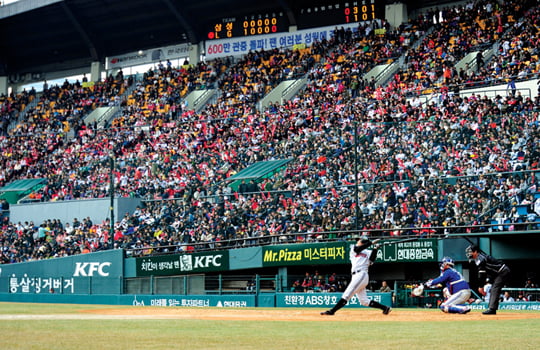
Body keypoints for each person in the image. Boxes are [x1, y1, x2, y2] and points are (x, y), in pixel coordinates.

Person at [321, 237, 391, 315]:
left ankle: (332, 311)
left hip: (361, 274)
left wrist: (375, 249)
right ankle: (385, 308)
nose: (357, 241)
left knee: (346, 295)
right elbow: (357, 250)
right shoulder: (353, 249)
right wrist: (371, 243)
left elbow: (371, 260)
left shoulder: (368, 252)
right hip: (356, 276)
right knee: (364, 301)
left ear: (363, 242)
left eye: (359, 240)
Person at [466, 244, 511, 315]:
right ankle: (492, 308)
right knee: (494, 288)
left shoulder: (481, 259)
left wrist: (481, 286)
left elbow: (482, 275)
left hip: (502, 271)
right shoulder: (477, 258)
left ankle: (492, 309)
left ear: (476, 252)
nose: (469, 254)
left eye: (471, 252)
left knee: (494, 288)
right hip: (496, 273)